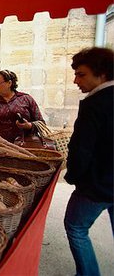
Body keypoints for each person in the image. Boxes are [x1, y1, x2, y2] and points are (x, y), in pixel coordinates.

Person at [63, 47, 113, 276]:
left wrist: (74, 176)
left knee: (75, 226)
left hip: (97, 184)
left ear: (101, 73)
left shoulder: (95, 103)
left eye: (81, 74)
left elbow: (82, 148)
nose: (75, 80)